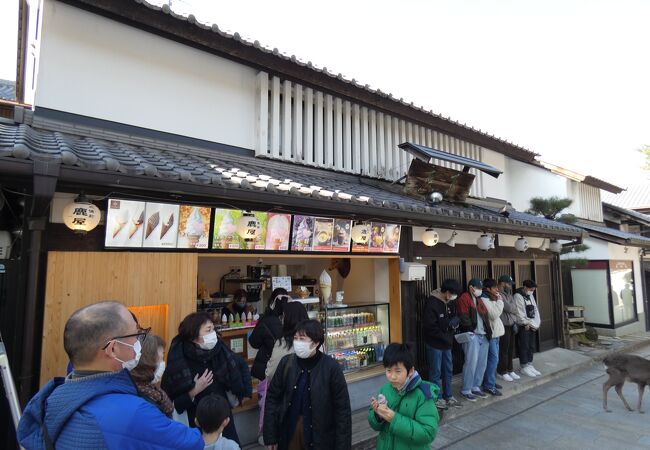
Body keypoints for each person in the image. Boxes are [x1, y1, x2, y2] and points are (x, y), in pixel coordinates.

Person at [17, 301, 203, 450]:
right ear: (113, 348)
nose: (140, 340)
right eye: (136, 334)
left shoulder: (51, 399)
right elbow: (192, 443)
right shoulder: (133, 413)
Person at [162, 312, 252, 444]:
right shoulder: (179, 362)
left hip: (223, 420)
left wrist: (243, 392)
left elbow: (241, 364)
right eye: (208, 330)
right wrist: (194, 391)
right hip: (196, 425)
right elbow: (174, 404)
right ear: (193, 336)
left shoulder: (220, 351)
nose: (213, 334)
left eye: (213, 329)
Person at [263, 320, 352, 450]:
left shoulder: (331, 368)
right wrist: (271, 436)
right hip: (289, 435)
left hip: (321, 439)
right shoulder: (286, 363)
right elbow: (272, 398)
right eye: (295, 338)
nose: (297, 342)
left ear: (315, 343)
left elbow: (342, 411)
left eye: (302, 339)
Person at [368, 343, 439, 450]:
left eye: (398, 371)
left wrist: (394, 419)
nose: (392, 376)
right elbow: (375, 425)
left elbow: (428, 433)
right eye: (388, 370)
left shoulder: (423, 395)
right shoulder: (385, 389)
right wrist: (378, 416)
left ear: (410, 371)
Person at [249, 288, 290, 442]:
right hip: (287, 368)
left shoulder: (266, 320)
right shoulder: (291, 320)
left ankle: (266, 434)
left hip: (267, 367)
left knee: (267, 403)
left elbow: (253, 342)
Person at [422, 278, 462, 410]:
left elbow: (452, 319)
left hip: (447, 344)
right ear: (447, 292)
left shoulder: (450, 302)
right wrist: (445, 335)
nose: (454, 297)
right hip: (435, 344)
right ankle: (436, 398)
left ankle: (448, 395)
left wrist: (454, 324)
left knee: (448, 370)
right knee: (435, 372)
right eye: (453, 293)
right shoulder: (432, 302)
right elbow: (430, 327)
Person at [456, 278, 492, 402]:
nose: (480, 290)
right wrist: (471, 329)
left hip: (483, 334)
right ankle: (466, 389)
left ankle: (476, 386)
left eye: (481, 288)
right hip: (473, 334)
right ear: (471, 287)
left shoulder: (479, 299)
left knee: (482, 363)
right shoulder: (464, 298)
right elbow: (463, 316)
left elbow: (486, 315)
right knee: (471, 362)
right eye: (478, 288)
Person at [264, 302, 309, 382]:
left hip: (288, 391)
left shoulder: (283, 343)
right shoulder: (315, 341)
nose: (281, 320)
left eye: (283, 317)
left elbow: (270, 374)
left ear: (289, 320)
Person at [130, 334, 173, 417]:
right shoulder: (142, 398)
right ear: (148, 359)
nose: (163, 363)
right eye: (161, 357)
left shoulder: (150, 390)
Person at [480, 279, 504, 396]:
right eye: (494, 288)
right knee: (493, 360)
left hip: (496, 334)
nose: (497, 290)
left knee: (494, 360)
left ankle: (491, 382)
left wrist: (498, 301)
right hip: (491, 335)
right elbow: (494, 315)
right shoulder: (484, 299)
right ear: (488, 289)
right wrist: (500, 302)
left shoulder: (491, 298)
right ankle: (489, 385)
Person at [514, 280, 541, 377]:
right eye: (531, 289)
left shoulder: (530, 295)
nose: (532, 291)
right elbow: (519, 312)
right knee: (524, 345)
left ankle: (530, 364)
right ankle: (524, 366)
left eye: (533, 290)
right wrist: (526, 323)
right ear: (525, 287)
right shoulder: (518, 296)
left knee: (531, 345)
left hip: (532, 325)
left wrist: (536, 324)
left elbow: (535, 309)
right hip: (524, 326)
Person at [496, 275, 521, 382]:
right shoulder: (498, 294)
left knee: (511, 349)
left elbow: (515, 308)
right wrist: (512, 308)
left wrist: (512, 309)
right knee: (504, 350)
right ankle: (502, 371)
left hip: (511, 325)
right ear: (503, 283)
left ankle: (510, 369)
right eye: (509, 284)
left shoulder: (509, 295)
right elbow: (508, 307)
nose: (511, 286)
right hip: (503, 325)